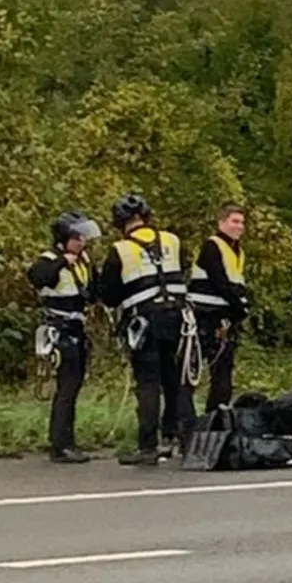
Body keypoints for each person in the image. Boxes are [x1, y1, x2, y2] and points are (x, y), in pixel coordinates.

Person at [99, 193, 197, 466]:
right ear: (147, 217)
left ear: (120, 223)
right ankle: (185, 439)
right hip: (178, 318)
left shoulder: (120, 250)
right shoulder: (172, 240)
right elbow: (182, 270)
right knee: (177, 380)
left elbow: (109, 294)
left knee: (148, 383)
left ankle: (148, 446)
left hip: (145, 323)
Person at [25, 211, 102, 464]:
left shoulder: (84, 261)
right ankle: (60, 445)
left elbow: (93, 292)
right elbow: (37, 277)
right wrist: (62, 262)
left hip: (78, 328)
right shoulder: (49, 259)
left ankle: (67, 441)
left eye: (83, 238)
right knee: (66, 388)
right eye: (77, 238)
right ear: (63, 239)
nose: (82, 243)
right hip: (60, 329)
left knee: (74, 385)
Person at [184, 203, 250, 413]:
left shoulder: (238, 251)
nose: (240, 226)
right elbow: (219, 281)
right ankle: (182, 421)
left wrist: (241, 306)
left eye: (242, 222)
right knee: (190, 370)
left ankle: (215, 418)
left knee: (223, 372)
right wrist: (239, 306)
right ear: (221, 222)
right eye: (235, 221)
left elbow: (236, 284)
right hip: (203, 315)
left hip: (225, 317)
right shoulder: (212, 246)